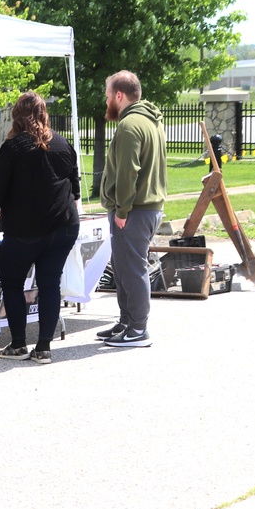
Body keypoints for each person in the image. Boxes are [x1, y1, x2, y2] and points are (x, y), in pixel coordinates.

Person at [0, 91, 81, 364]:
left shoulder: (14, 146)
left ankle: (18, 344)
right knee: (49, 284)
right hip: (64, 225)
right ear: (44, 114)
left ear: (16, 116)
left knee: (13, 283)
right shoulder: (63, 144)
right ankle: (43, 347)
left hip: (26, 230)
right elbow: (74, 191)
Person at [96, 70, 167, 348]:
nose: (106, 100)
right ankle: (127, 321)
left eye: (107, 94)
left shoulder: (129, 126)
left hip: (135, 209)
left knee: (132, 268)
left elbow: (128, 172)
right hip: (145, 207)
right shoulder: (150, 121)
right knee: (123, 267)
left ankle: (138, 329)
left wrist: (122, 211)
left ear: (119, 95)